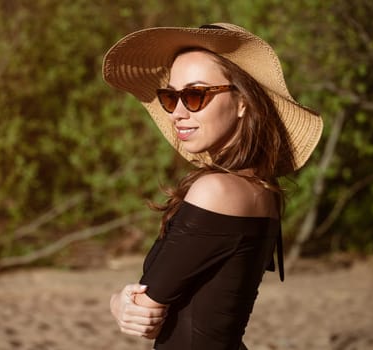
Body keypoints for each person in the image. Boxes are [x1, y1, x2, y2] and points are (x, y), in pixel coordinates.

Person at [102, 23, 323, 349]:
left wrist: (117, 302)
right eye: (170, 97)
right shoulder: (259, 188)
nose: (177, 112)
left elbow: (145, 314)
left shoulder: (217, 191)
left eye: (195, 95)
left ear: (243, 102)